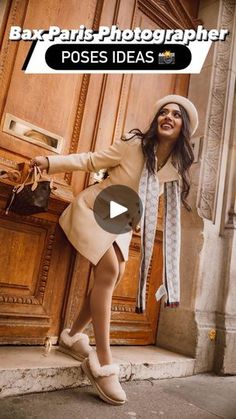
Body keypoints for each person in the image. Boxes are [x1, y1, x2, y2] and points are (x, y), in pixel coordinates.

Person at [30, 94, 198, 406]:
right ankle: (103, 362)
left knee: (115, 274)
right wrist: (52, 163)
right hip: (96, 207)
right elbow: (92, 161)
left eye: (176, 115)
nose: (169, 117)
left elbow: (148, 200)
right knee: (108, 271)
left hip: (121, 219)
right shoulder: (133, 145)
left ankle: (71, 336)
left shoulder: (174, 168)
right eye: (164, 112)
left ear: (182, 128)